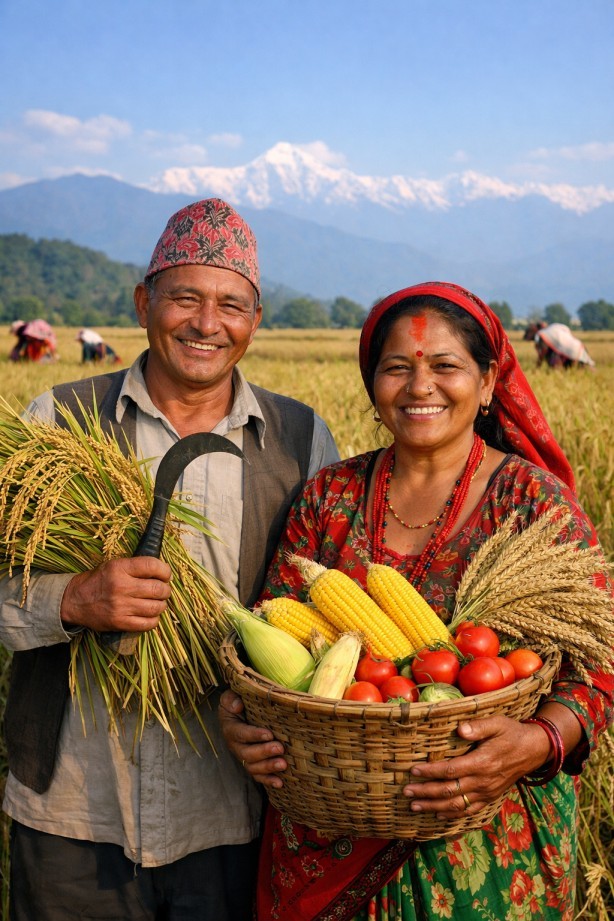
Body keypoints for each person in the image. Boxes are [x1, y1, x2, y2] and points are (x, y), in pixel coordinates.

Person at [219, 281, 613, 921]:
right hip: (328, 834)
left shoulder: (532, 505)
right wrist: (239, 715)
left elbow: (603, 657)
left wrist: (539, 741)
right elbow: (266, 645)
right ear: (373, 384)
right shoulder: (330, 496)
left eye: (445, 366)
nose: (418, 386)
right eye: (396, 367)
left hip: (486, 838)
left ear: (487, 383)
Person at [0, 198, 339, 921]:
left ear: (255, 319)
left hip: (232, 811)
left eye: (231, 304)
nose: (206, 323)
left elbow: (335, 629)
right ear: (142, 300)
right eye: (185, 296)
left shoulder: (303, 440)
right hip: (75, 809)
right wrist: (72, 600)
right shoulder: (57, 424)